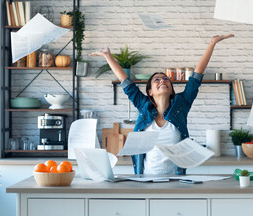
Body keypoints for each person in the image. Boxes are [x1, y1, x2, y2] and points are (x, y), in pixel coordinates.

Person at [90, 34, 234, 175]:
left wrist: (212, 44)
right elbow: (125, 82)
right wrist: (108, 56)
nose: (162, 81)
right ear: (150, 91)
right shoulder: (144, 105)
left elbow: (196, 77)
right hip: (146, 178)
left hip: (176, 180)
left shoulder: (181, 104)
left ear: (171, 88)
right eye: (157, 80)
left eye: (166, 79)